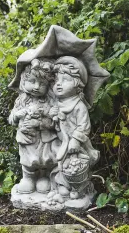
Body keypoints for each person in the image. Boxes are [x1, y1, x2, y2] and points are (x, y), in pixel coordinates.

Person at [49, 56, 99, 199]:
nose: (59, 84)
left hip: (76, 145)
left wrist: (76, 140)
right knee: (62, 164)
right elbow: (56, 126)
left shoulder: (78, 105)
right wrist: (54, 117)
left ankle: (79, 188)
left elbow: (84, 125)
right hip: (62, 143)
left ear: (78, 85)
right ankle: (63, 186)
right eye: (57, 80)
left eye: (65, 80)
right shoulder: (58, 104)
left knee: (76, 165)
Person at [9, 58, 59, 194]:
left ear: (48, 86)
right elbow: (11, 119)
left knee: (45, 159)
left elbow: (54, 124)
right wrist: (18, 114)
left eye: (42, 84)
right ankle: (28, 178)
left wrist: (42, 122)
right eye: (32, 81)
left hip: (43, 139)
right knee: (27, 160)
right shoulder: (21, 100)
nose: (36, 87)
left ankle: (43, 177)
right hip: (26, 138)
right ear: (24, 81)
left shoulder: (49, 102)